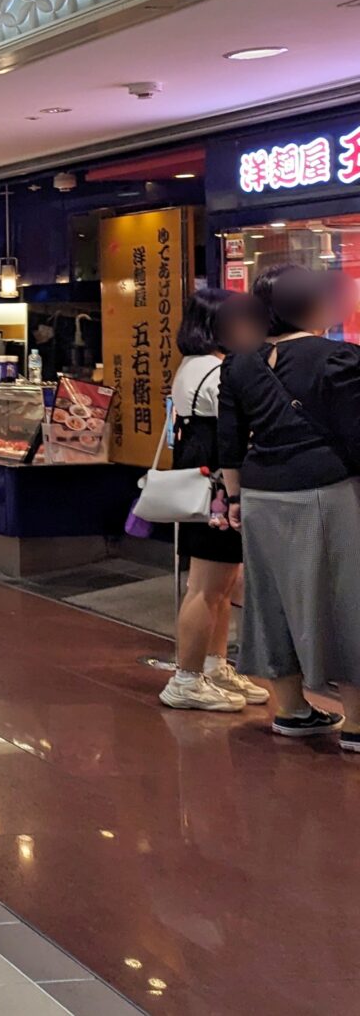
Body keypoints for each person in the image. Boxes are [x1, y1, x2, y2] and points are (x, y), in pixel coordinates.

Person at [215, 264, 360, 747]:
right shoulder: (338, 357)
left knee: (270, 599)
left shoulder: (239, 364)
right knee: (345, 600)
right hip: (326, 490)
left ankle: (293, 710)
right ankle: (357, 723)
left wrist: (235, 498)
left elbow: (229, 440)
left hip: (260, 494)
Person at [159, 289, 269, 711]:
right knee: (206, 588)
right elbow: (242, 428)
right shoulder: (216, 371)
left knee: (219, 586)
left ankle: (213, 665)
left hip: (205, 483)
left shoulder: (196, 365)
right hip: (218, 489)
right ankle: (185, 679)